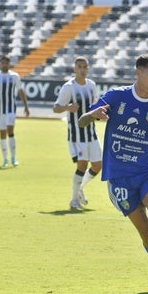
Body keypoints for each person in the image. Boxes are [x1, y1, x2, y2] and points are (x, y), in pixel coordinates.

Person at [78, 53, 148, 291]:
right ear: (138, 72)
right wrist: (94, 115)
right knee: (147, 233)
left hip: (147, 173)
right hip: (119, 177)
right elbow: (82, 120)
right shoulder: (116, 97)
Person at [53, 56, 102, 210]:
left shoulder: (92, 85)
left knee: (98, 165)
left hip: (91, 132)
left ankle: (81, 188)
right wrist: (68, 107)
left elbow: (95, 104)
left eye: (85, 66)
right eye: (79, 66)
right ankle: (74, 200)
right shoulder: (69, 87)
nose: (82, 69)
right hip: (77, 134)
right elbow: (56, 108)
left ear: (88, 68)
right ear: (75, 69)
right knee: (82, 165)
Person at [0, 54, 30, 167]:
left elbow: (21, 91)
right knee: (2, 134)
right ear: (0, 64)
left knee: (10, 131)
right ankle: (5, 159)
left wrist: (26, 106)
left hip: (10, 109)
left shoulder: (14, 76)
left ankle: (14, 157)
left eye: (6, 62)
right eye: (2, 62)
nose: (4, 64)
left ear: (9, 64)